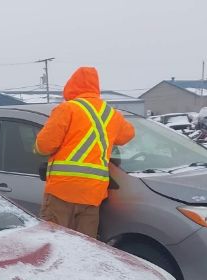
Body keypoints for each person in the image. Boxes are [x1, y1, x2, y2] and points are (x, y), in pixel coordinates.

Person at [34, 66, 135, 238]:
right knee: (85, 246)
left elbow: (44, 146)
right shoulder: (111, 114)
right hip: (93, 194)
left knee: (55, 243)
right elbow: (128, 135)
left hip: (62, 190)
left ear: (72, 86)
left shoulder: (67, 109)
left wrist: (36, 147)